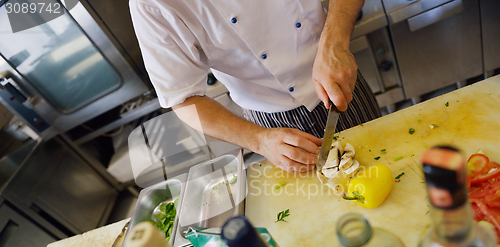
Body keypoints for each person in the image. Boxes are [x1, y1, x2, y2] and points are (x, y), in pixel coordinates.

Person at [129, 0, 380, 173]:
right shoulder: (150, 5)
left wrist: (334, 43)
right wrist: (260, 141)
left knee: (386, 164)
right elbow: (182, 99)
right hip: (272, 124)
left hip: (337, 77)